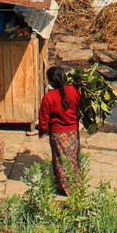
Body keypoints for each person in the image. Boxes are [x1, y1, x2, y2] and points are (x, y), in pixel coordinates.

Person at [38, 66, 82, 195]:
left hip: (57, 133)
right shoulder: (74, 91)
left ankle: (63, 187)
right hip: (73, 131)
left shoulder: (49, 97)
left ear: (51, 82)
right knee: (72, 157)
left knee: (59, 160)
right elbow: (79, 105)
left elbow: (43, 118)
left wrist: (42, 131)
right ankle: (75, 183)